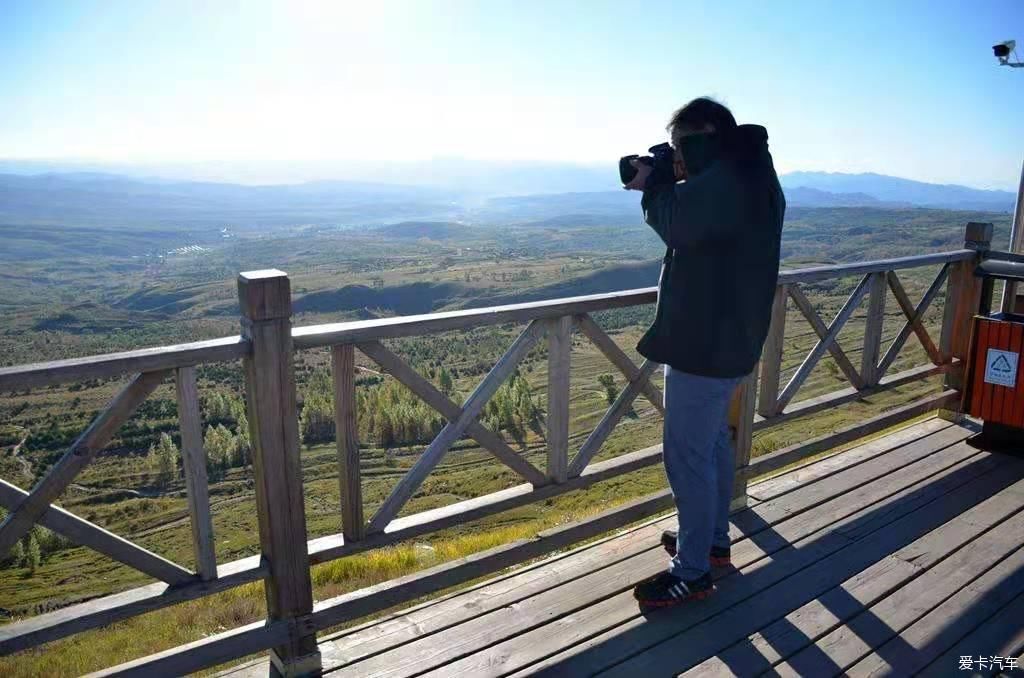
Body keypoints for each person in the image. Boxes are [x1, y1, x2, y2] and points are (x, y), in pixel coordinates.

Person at [624, 97, 785, 608]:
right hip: (730, 339)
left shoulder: (725, 183)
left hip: (705, 343)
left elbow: (677, 227)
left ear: (703, 137)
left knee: (687, 458)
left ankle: (691, 571)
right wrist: (674, 174)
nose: (676, 156)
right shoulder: (750, 172)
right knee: (713, 441)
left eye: (679, 146)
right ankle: (713, 542)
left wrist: (654, 185)